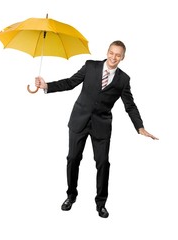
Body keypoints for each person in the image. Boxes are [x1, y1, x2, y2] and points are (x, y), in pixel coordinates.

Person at [35, 40, 158, 218]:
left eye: (118, 55)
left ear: (122, 57)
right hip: (79, 121)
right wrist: (47, 86)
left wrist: (139, 127)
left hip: (102, 126)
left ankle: (101, 204)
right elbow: (70, 83)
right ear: (107, 52)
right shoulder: (90, 66)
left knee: (102, 164)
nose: (113, 57)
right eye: (111, 52)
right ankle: (71, 195)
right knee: (73, 159)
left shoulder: (123, 80)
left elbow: (130, 106)